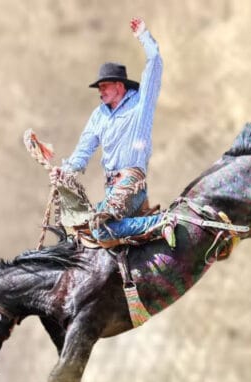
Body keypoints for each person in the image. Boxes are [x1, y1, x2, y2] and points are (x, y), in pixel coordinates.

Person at [50, 17, 164, 240]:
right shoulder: (98, 115)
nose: (100, 91)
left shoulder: (141, 104)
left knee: (100, 230)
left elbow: (155, 62)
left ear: (119, 86)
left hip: (132, 181)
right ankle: (146, 228)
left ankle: (162, 222)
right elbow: (84, 150)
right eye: (99, 87)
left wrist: (144, 36)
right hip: (112, 188)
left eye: (104, 86)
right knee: (80, 232)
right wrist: (65, 171)